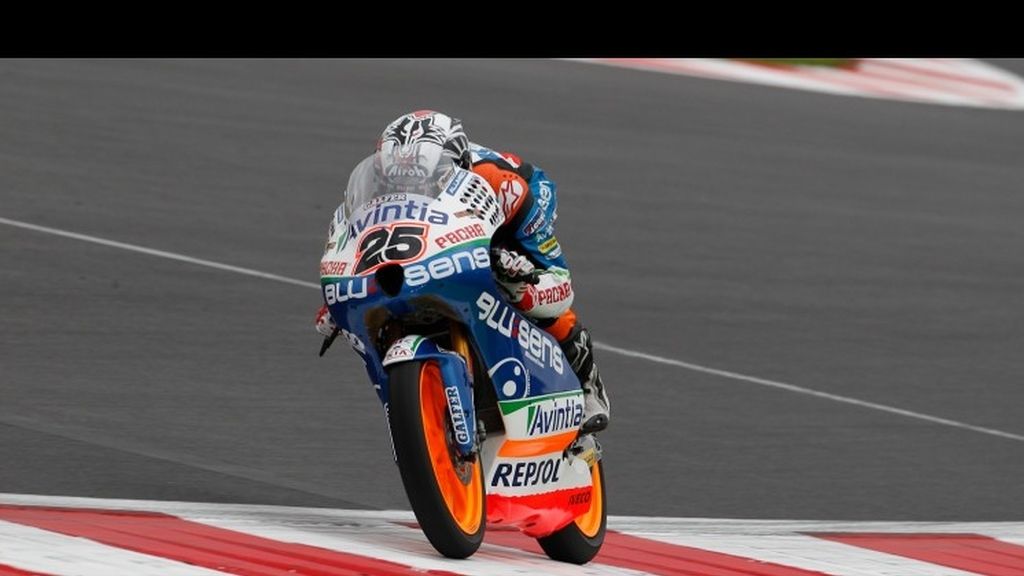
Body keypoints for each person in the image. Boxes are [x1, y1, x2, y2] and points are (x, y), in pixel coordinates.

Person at [316, 110, 609, 433]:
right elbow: (361, 247)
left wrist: (523, 283)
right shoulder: (379, 190)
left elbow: (561, 285)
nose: (408, 185)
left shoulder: (505, 187)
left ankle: (587, 382)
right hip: (439, 220)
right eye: (395, 178)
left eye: (420, 177)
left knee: (526, 290)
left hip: (511, 209)